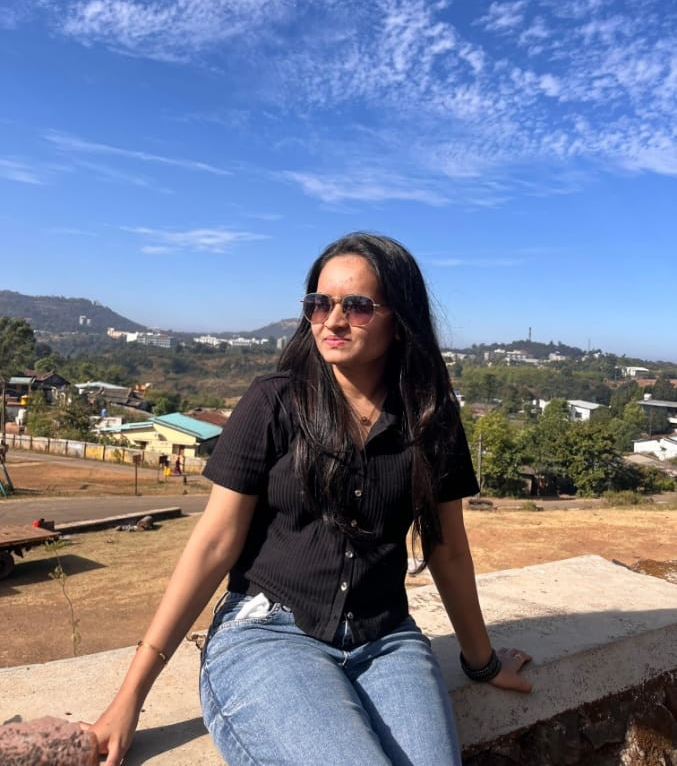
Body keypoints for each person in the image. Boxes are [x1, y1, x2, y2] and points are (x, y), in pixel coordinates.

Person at [84, 233, 531, 766]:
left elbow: (448, 550)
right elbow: (213, 545)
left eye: (356, 306)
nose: (332, 321)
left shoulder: (431, 418)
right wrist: (130, 697)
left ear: (399, 320)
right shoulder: (273, 401)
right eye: (320, 304)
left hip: (386, 639)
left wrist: (481, 663)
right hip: (268, 633)